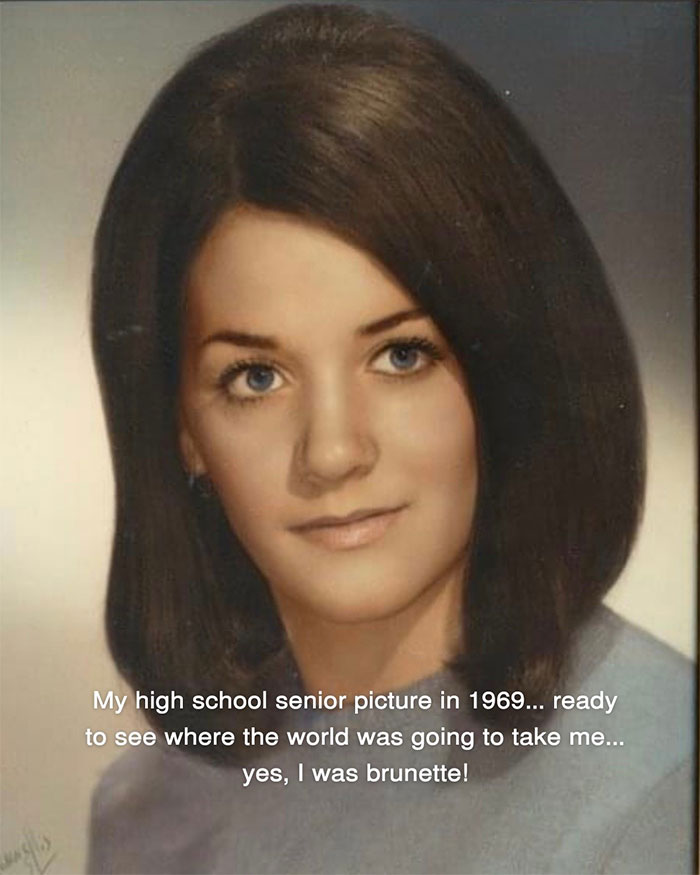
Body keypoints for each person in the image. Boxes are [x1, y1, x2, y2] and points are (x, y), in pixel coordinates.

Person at [87, 4, 693, 873]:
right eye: (256, 377)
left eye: (402, 355)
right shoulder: (146, 816)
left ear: (505, 373)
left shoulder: (665, 789)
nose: (333, 452)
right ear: (181, 427)